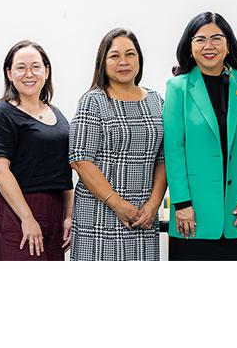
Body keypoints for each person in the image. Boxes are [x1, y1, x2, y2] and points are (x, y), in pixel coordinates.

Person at [163, 12, 237, 260]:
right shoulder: (178, 88)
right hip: (192, 216)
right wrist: (182, 203)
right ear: (189, 47)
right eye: (200, 39)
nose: (209, 46)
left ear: (228, 44)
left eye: (217, 38)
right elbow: (174, 150)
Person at [68, 28, 167, 261]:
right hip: (99, 214)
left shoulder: (156, 101)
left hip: (143, 217)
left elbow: (164, 158)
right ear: (103, 62)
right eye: (114, 56)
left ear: (139, 59)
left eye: (130, 54)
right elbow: (80, 160)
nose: (124, 61)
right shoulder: (93, 100)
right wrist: (118, 203)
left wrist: (154, 204)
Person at [0, 40, 74, 260]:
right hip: (15, 212)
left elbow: (65, 170)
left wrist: (69, 214)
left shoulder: (57, 114)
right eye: (20, 67)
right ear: (9, 74)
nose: (29, 73)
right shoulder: (1, 112)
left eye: (36, 66)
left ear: (46, 71)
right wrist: (28, 218)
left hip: (54, 211)